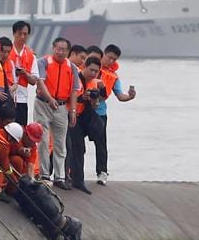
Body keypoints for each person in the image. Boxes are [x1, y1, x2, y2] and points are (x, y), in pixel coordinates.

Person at [34, 37, 81, 190]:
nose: (60, 52)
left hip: (61, 107)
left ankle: (60, 176)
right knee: (43, 139)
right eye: (58, 49)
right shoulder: (43, 62)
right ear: (53, 48)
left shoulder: (72, 68)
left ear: (68, 51)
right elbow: (40, 81)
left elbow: (74, 90)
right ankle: (44, 174)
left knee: (60, 143)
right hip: (43, 104)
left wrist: (72, 110)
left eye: (64, 50)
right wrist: (49, 98)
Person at [92, 44, 137, 185]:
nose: (111, 61)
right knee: (76, 144)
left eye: (114, 59)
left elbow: (120, 96)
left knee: (101, 144)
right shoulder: (91, 68)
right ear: (103, 54)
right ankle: (71, 173)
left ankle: (102, 172)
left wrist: (130, 96)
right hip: (84, 110)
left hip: (100, 112)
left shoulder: (113, 76)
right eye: (109, 57)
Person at [65, 56, 106, 194]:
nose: (93, 74)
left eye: (96, 71)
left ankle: (75, 178)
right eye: (91, 70)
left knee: (98, 128)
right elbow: (67, 97)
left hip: (83, 116)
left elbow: (94, 106)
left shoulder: (93, 83)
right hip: (70, 115)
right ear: (85, 67)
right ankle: (73, 178)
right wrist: (81, 98)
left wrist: (94, 100)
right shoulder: (75, 78)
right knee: (75, 148)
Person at [10, 21, 47, 126]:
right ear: (14, 33)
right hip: (7, 96)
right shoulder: (6, 50)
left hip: (22, 98)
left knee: (21, 129)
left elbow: (34, 81)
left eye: (25, 34)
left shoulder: (31, 55)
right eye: (20, 33)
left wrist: (25, 73)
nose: (22, 37)